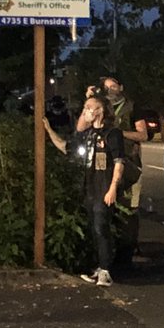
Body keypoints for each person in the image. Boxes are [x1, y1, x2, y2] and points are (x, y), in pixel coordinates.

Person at [43, 94, 125, 287]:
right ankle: (99, 268)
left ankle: (106, 271)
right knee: (94, 229)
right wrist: (48, 130)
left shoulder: (112, 134)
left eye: (89, 107)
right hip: (89, 189)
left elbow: (119, 162)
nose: (85, 111)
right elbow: (66, 148)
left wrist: (112, 188)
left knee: (101, 227)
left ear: (100, 111)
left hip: (104, 189)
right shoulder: (87, 135)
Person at [78, 76, 149, 264]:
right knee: (103, 210)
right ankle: (108, 254)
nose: (110, 90)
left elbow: (143, 134)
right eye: (106, 87)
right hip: (103, 167)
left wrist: (116, 133)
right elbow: (80, 128)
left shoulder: (131, 107)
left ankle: (128, 250)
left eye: (114, 86)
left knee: (130, 208)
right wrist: (89, 103)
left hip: (130, 164)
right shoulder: (100, 108)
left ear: (121, 87)